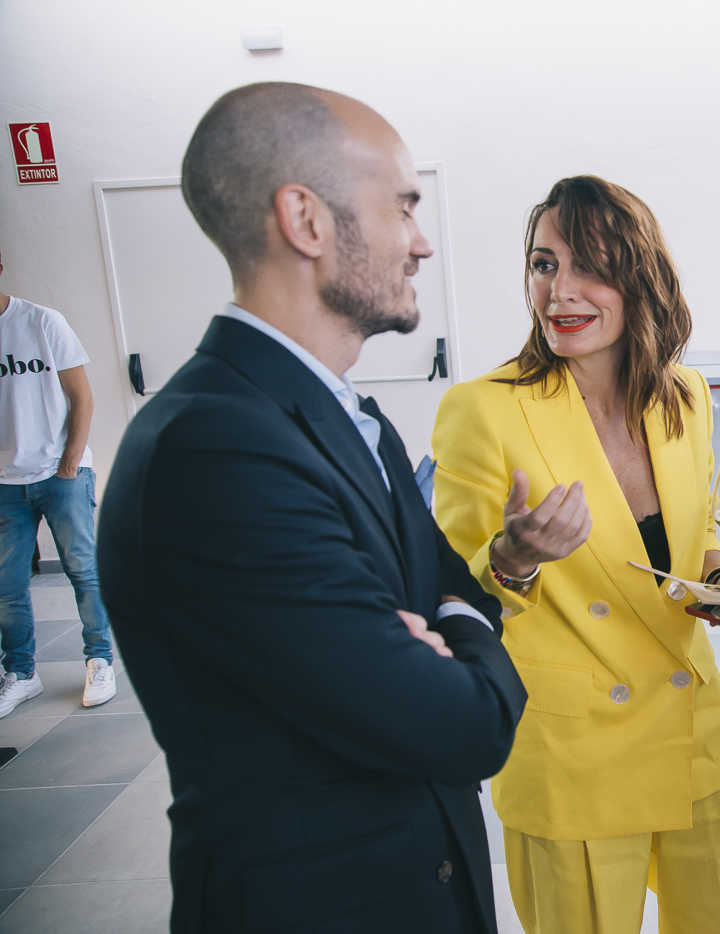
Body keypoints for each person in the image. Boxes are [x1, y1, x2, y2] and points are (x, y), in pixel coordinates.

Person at [97, 83, 526, 933]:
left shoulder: (348, 419)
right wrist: (452, 630)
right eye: (402, 207)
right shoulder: (216, 450)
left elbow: (448, 600)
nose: (421, 242)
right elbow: (461, 724)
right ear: (306, 219)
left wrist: (437, 620)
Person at [432, 175, 720, 934]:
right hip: (573, 753)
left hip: (695, 737)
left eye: (590, 266)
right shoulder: (483, 410)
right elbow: (453, 595)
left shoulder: (685, 396)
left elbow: (696, 531)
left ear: (640, 277)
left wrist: (718, 577)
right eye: (545, 264)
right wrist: (513, 558)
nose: (561, 292)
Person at [0, 247, 116, 716]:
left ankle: (100, 660)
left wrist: (70, 463)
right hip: (6, 482)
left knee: (82, 570)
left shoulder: (42, 322)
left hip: (60, 472)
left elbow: (81, 397)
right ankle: (22, 674)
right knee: (7, 584)